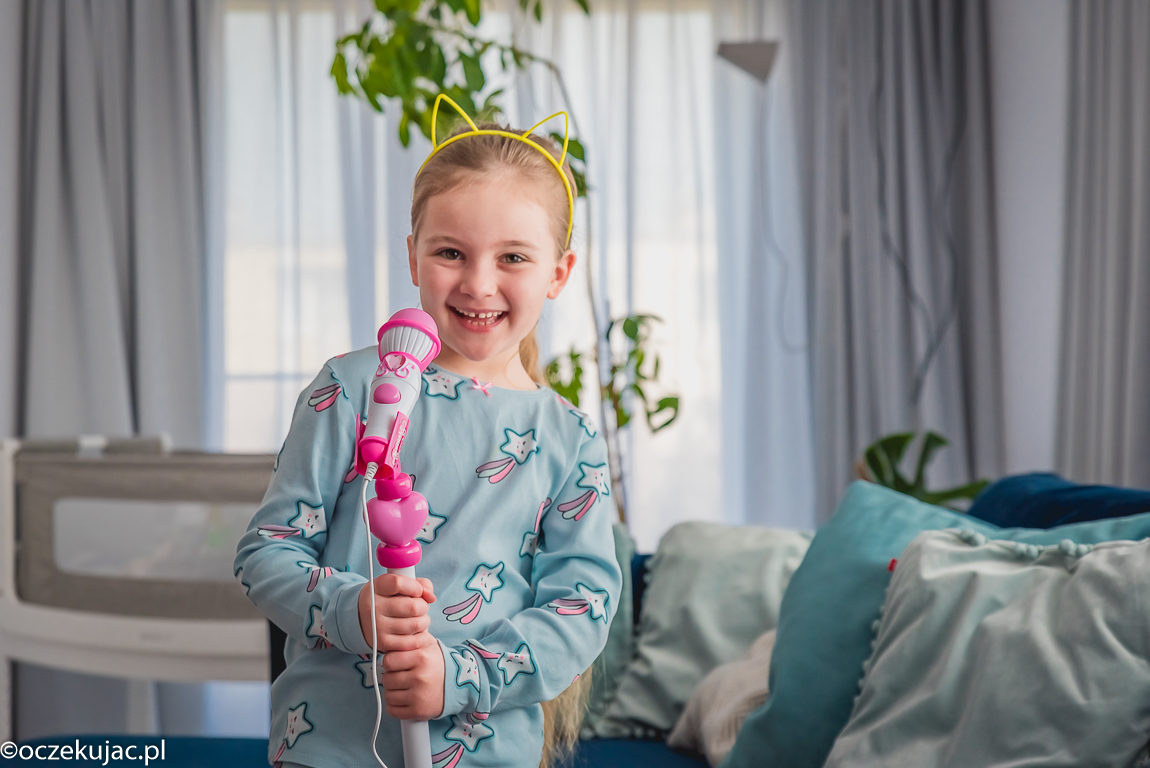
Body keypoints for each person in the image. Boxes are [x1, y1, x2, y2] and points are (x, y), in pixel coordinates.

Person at [234, 95, 622, 768]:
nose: (479, 284)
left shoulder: (569, 438)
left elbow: (581, 607)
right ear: (414, 258)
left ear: (558, 273)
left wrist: (460, 676)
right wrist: (353, 609)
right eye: (451, 252)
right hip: (330, 752)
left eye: (513, 257)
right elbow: (267, 551)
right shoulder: (352, 388)